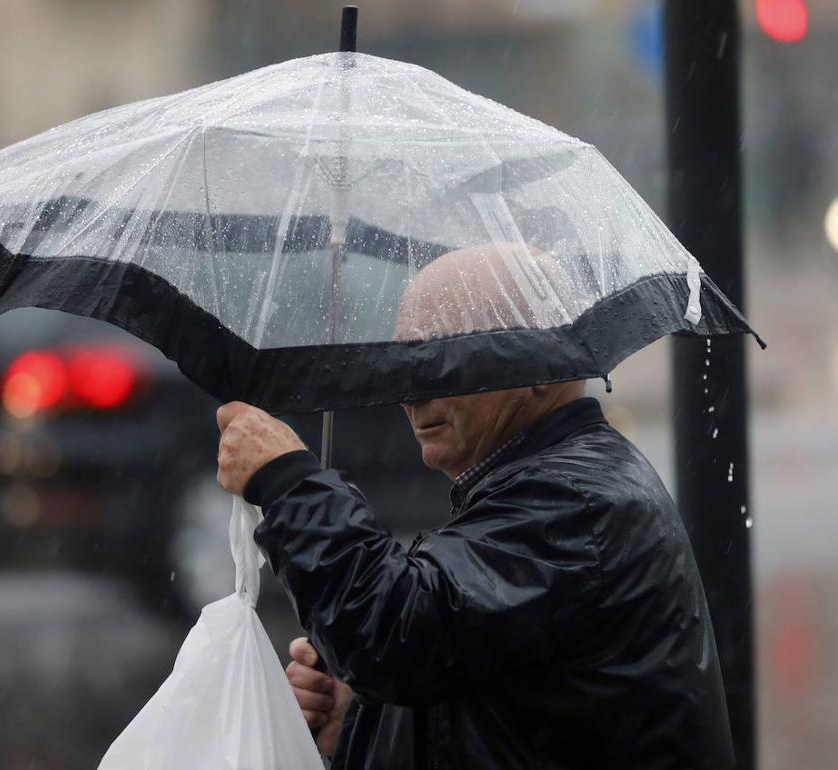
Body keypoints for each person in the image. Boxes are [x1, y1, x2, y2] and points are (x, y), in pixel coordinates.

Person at [215, 244, 734, 769]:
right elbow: (479, 693)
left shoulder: (577, 503)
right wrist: (361, 724)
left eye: (438, 358)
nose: (409, 392)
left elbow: (397, 632)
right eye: (401, 363)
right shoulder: (539, 486)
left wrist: (287, 481)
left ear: (540, 360)